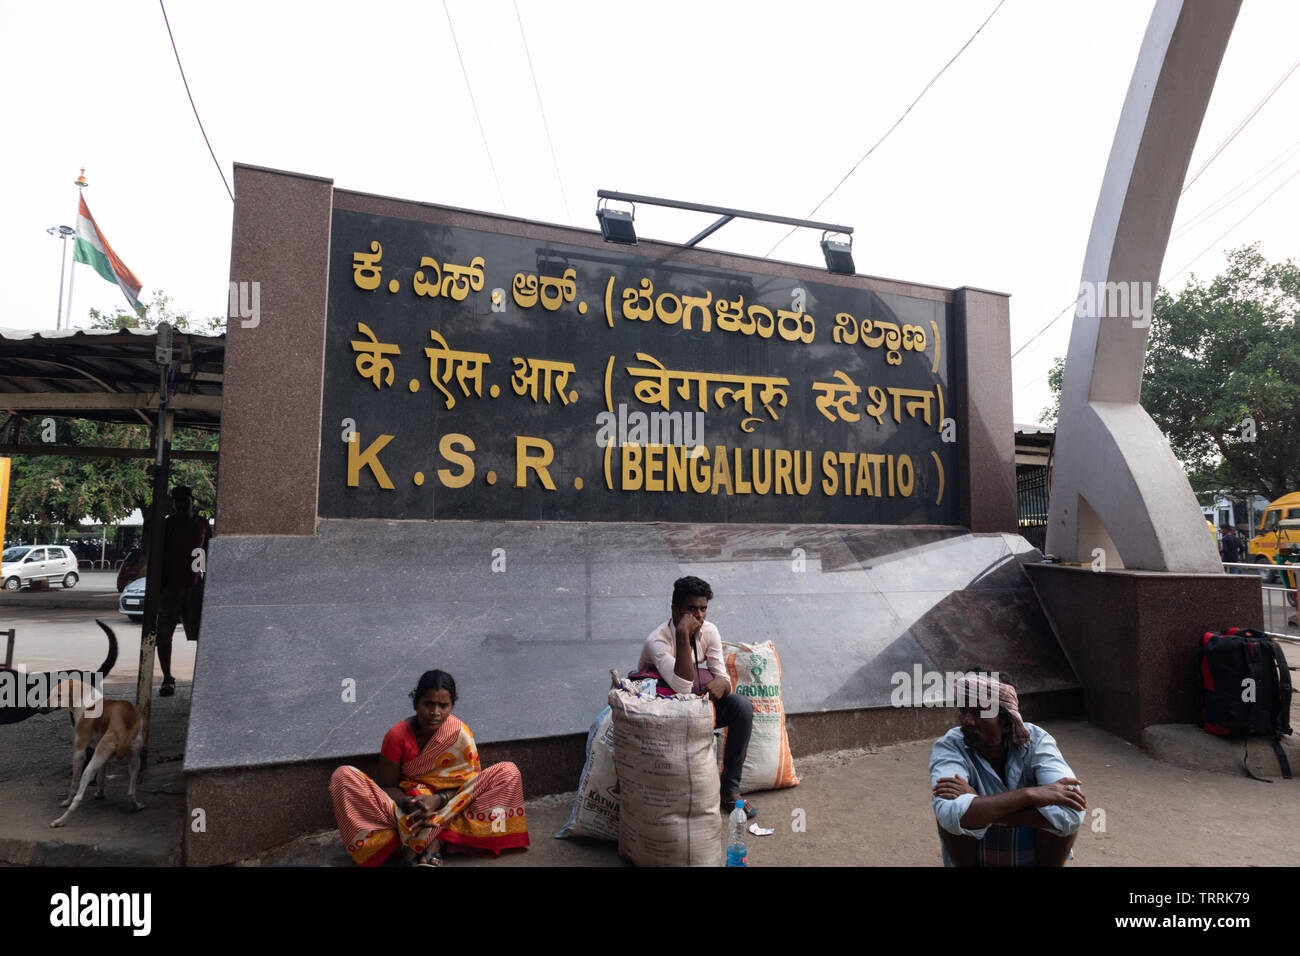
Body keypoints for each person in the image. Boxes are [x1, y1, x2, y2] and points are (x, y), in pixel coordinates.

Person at [328, 670, 530, 866]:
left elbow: (470, 789)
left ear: (452, 706)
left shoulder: (459, 734)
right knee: (343, 776)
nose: (435, 712)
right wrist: (412, 804)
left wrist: (437, 800)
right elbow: (387, 786)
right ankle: (431, 842)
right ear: (416, 703)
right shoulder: (397, 736)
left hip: (450, 807)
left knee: (508, 772)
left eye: (443, 705)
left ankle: (420, 843)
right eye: (428, 704)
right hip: (407, 811)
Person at [930, 672, 1085, 867]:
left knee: (1062, 824)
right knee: (953, 821)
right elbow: (950, 813)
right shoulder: (950, 745)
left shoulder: (1037, 741)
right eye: (964, 711)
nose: (966, 720)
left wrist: (979, 804)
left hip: (1030, 845)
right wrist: (1029, 796)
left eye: (979, 713)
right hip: (974, 848)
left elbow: (1072, 814)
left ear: (1006, 723)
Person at [632, 575, 756, 818]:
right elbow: (681, 687)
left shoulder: (709, 631)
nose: (699, 616)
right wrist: (682, 635)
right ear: (675, 609)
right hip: (664, 713)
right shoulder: (658, 640)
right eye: (691, 609)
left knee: (742, 707)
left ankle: (729, 790)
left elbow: (723, 678)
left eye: (703, 609)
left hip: (697, 705)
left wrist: (722, 683)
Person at [156, 485, 211, 697]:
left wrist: (206, 582)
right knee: (163, 635)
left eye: (184, 499)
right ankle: (167, 678)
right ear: (173, 503)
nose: (181, 504)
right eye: (177, 500)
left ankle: (201, 677)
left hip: (194, 587)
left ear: (191, 501)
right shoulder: (167, 525)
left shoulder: (202, 524)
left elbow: (208, 552)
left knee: (200, 636)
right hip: (170, 587)